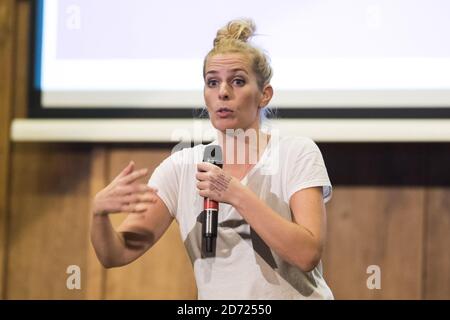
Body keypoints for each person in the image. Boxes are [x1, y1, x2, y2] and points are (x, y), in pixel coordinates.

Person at [91, 18, 333, 299]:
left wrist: (236, 194)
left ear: (264, 95)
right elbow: (115, 253)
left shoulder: (296, 153)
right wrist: (99, 214)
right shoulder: (181, 168)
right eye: (212, 82)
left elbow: (307, 254)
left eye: (238, 81)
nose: (223, 92)